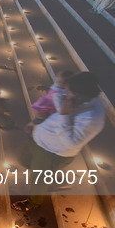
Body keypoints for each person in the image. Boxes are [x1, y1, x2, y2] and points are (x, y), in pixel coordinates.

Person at [12, 72, 105, 211]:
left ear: (79, 94)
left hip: (52, 152)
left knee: (37, 180)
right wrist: (41, 117)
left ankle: (33, 203)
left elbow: (71, 142)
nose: (64, 93)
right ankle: (47, 176)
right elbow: (56, 95)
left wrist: (63, 114)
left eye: (68, 91)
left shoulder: (92, 116)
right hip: (39, 138)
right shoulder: (73, 96)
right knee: (23, 160)